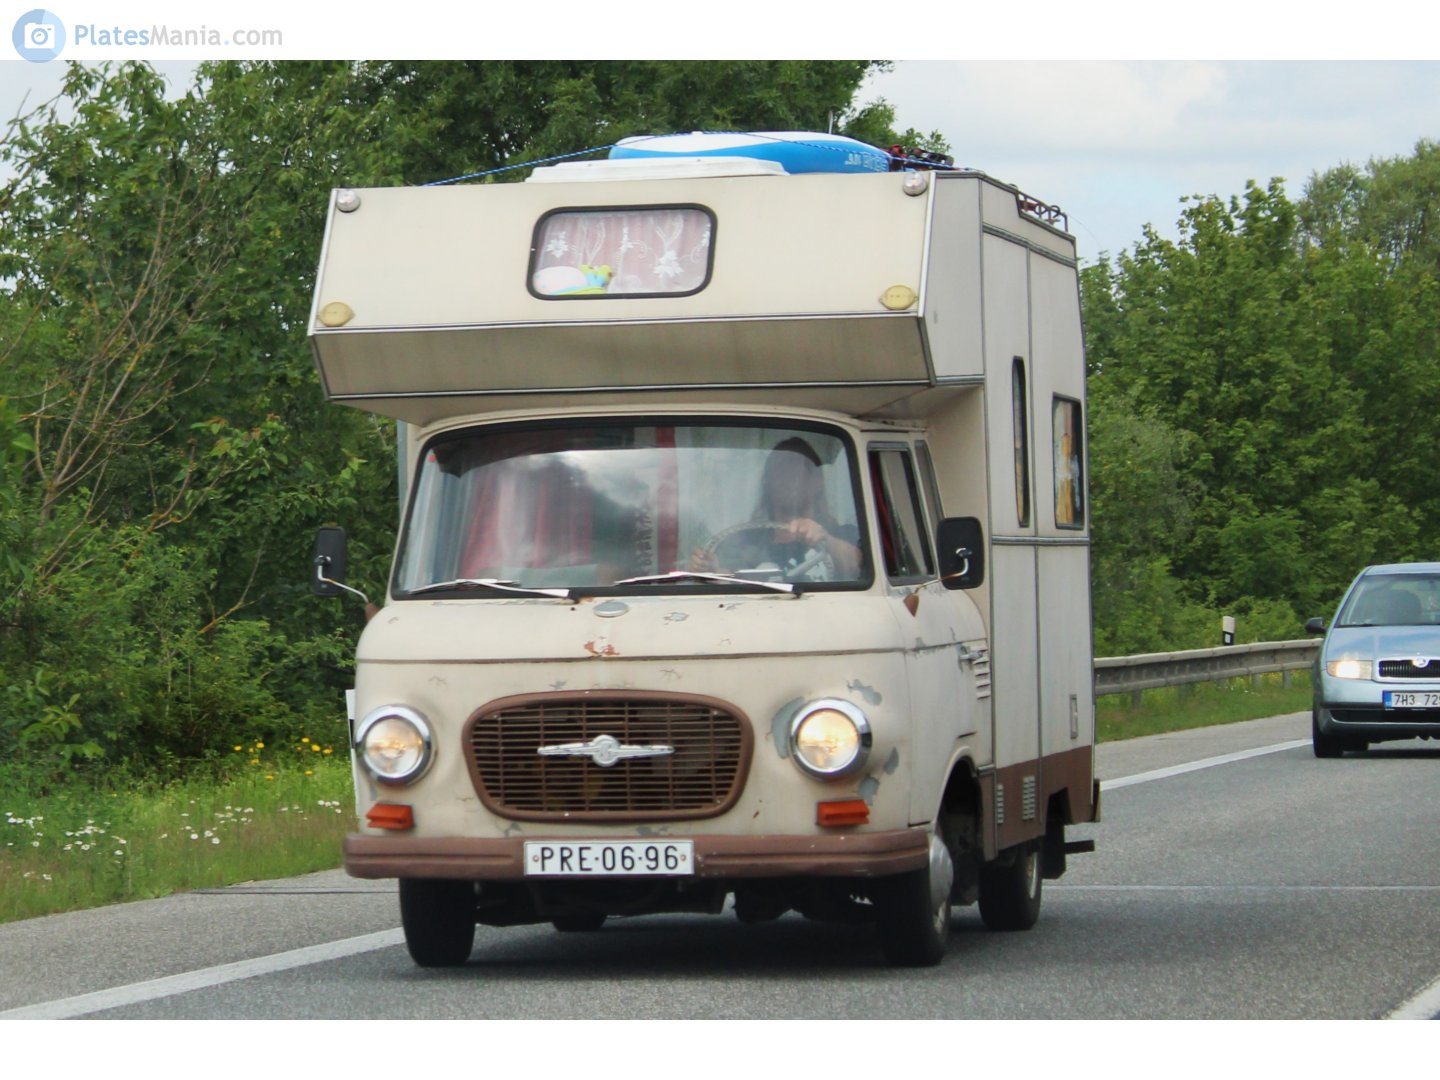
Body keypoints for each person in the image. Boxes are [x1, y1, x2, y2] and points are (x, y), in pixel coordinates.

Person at [690, 437, 862, 581]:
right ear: (767, 482)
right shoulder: (745, 541)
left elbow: (861, 566)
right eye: (781, 469)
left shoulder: (843, 535)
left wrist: (825, 540)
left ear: (817, 481)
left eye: (800, 468)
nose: (791, 476)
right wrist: (709, 570)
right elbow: (731, 583)